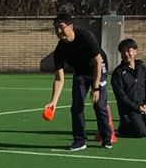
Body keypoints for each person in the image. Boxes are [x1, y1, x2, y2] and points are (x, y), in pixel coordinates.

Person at [47, 12, 113, 152]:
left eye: (61, 27)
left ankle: (106, 137)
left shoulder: (86, 36)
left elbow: (97, 61)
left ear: (71, 26)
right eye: (56, 29)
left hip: (98, 68)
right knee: (76, 106)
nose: (59, 31)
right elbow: (59, 78)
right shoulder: (60, 50)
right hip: (81, 73)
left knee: (99, 105)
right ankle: (79, 140)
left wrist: (95, 88)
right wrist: (53, 102)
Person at [110, 38, 146, 138]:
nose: (126, 54)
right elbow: (121, 96)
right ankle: (123, 127)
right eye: (123, 52)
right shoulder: (118, 73)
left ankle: (141, 122)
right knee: (140, 132)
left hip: (144, 108)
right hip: (129, 110)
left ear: (135, 51)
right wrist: (136, 107)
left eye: (128, 50)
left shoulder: (142, 68)